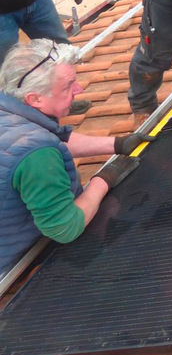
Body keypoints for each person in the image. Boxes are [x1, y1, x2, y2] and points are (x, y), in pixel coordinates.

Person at [0, 39, 152, 274]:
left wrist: (117, 144)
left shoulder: (9, 111)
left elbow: (42, 141)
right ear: (35, 99)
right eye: (68, 86)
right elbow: (65, 228)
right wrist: (102, 180)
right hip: (13, 266)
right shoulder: (37, 154)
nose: (79, 90)